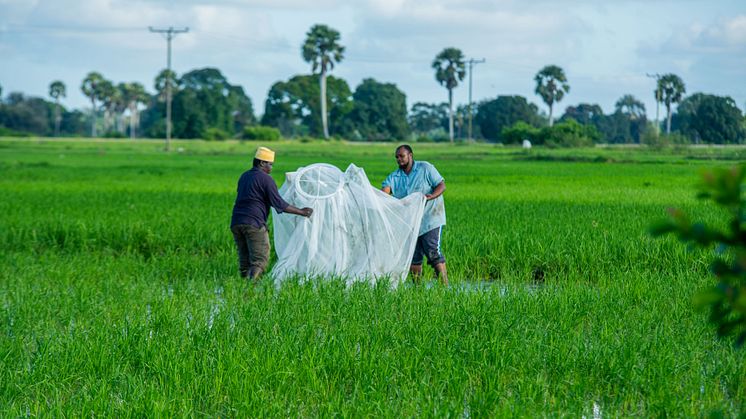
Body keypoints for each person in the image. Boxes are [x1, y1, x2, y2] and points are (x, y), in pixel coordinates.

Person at [231, 146, 313, 281]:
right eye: (270, 164)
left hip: (236, 222)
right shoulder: (266, 179)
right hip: (254, 223)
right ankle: (250, 289)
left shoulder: (244, 176)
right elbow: (279, 204)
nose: (271, 168)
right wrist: (302, 212)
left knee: (245, 261)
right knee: (260, 260)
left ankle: (242, 290)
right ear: (262, 163)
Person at [382, 144, 448, 285]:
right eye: (397, 157)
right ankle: (417, 289)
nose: (399, 159)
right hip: (410, 223)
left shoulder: (425, 168)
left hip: (430, 218)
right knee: (413, 256)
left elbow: (441, 185)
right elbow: (385, 192)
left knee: (432, 252)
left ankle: (445, 286)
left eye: (402, 156)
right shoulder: (394, 177)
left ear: (410, 155)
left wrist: (431, 197)